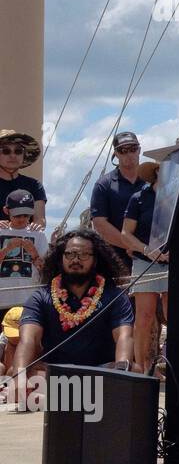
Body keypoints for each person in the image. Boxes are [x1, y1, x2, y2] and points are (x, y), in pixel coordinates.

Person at [1, 230, 134, 406]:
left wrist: (121, 373)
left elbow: (124, 337)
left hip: (100, 372)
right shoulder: (40, 297)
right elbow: (28, 340)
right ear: (60, 257)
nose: (76, 260)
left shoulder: (115, 296)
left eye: (84, 254)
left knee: (134, 371)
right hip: (54, 373)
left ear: (96, 259)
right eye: (70, 254)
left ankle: (62, 400)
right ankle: (77, 399)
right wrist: (20, 376)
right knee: (18, 372)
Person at [121, 162, 168, 370]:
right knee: (144, 317)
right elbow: (126, 233)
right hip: (144, 260)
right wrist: (147, 250)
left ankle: (172, 364)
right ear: (157, 171)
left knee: (172, 315)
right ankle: (142, 367)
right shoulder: (139, 198)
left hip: (172, 261)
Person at [90, 131, 146, 270]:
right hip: (116, 259)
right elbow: (100, 224)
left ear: (139, 150)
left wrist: (145, 249)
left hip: (152, 257)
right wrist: (133, 246)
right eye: (123, 150)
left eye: (133, 149)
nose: (129, 154)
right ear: (116, 153)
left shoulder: (153, 181)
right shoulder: (104, 184)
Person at [1, 190, 48, 297]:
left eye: (26, 215)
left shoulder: (39, 234)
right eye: (17, 215)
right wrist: (6, 249)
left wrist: (34, 253)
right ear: (6, 211)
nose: (22, 218)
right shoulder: (1, 231)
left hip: (29, 298)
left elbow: (45, 271)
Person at [0, 129, 47, 231]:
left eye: (18, 151)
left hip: (25, 242)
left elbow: (40, 219)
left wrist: (36, 227)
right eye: (6, 151)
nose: (13, 155)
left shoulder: (34, 185)